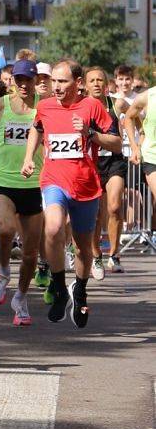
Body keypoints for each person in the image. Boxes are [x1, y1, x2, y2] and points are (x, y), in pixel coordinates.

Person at [22, 60, 118, 328]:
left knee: (83, 247)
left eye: (62, 81)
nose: (56, 86)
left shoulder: (93, 107)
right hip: (54, 180)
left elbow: (117, 142)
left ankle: (80, 290)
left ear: (77, 83)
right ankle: (59, 285)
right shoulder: (45, 105)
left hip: (86, 186)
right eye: (54, 81)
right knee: (52, 229)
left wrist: (90, 133)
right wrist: (29, 157)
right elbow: (37, 128)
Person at [0, 59, 43, 325]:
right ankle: (3, 272)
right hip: (3, 180)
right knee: (5, 230)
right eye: (19, 80)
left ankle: (21, 297)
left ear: (36, 80)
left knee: (30, 254)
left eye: (28, 79)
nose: (24, 85)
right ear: (12, 81)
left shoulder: (44, 105)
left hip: (34, 184)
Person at [85, 67, 126, 281]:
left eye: (100, 79)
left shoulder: (115, 103)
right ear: (84, 84)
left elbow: (134, 112)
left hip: (114, 161)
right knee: (95, 214)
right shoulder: (81, 106)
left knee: (114, 206)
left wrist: (137, 141)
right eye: (91, 80)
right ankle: (96, 255)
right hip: (91, 163)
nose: (96, 84)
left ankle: (115, 254)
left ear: (106, 83)